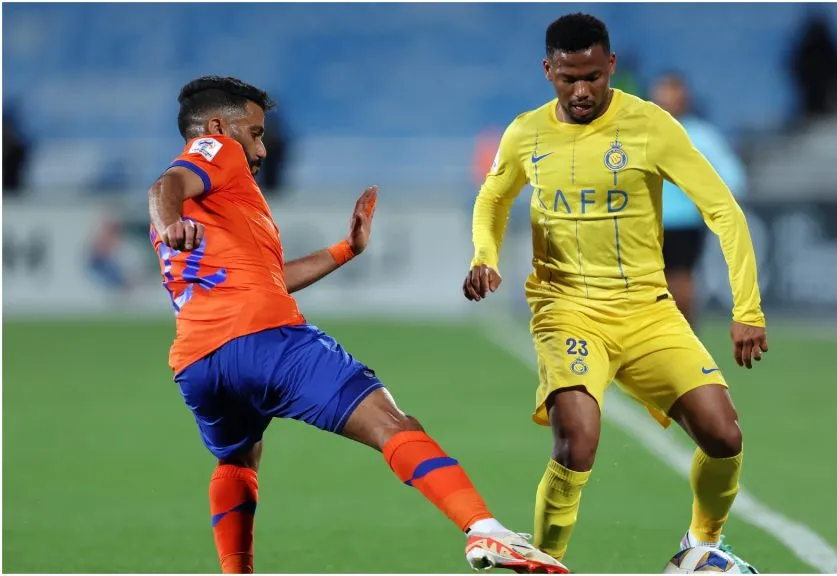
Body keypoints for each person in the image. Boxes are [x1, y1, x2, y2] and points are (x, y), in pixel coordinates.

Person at [149, 76, 567, 575]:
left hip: (198, 362)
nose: (261, 148)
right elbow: (164, 187)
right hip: (265, 338)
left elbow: (271, 279)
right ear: (219, 126)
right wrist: (170, 219)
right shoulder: (215, 150)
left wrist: (346, 250)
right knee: (393, 424)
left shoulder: (215, 205)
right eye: (256, 132)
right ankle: (484, 530)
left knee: (238, 458)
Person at [462, 14, 766, 573]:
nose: (581, 91)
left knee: (724, 435)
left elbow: (723, 208)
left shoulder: (651, 126)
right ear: (548, 70)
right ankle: (546, 559)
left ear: (612, 68)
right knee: (577, 439)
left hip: (647, 311)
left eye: (594, 78)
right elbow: (493, 198)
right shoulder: (525, 133)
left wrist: (747, 308)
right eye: (568, 78)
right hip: (566, 309)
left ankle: (701, 545)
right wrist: (485, 254)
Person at [649, 72, 748, 332]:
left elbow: (734, 178)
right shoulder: (642, 131)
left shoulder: (702, 136)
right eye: (664, 92)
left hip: (683, 221)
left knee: (680, 281)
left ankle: (686, 337)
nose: (669, 99)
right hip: (644, 221)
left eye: (674, 92)